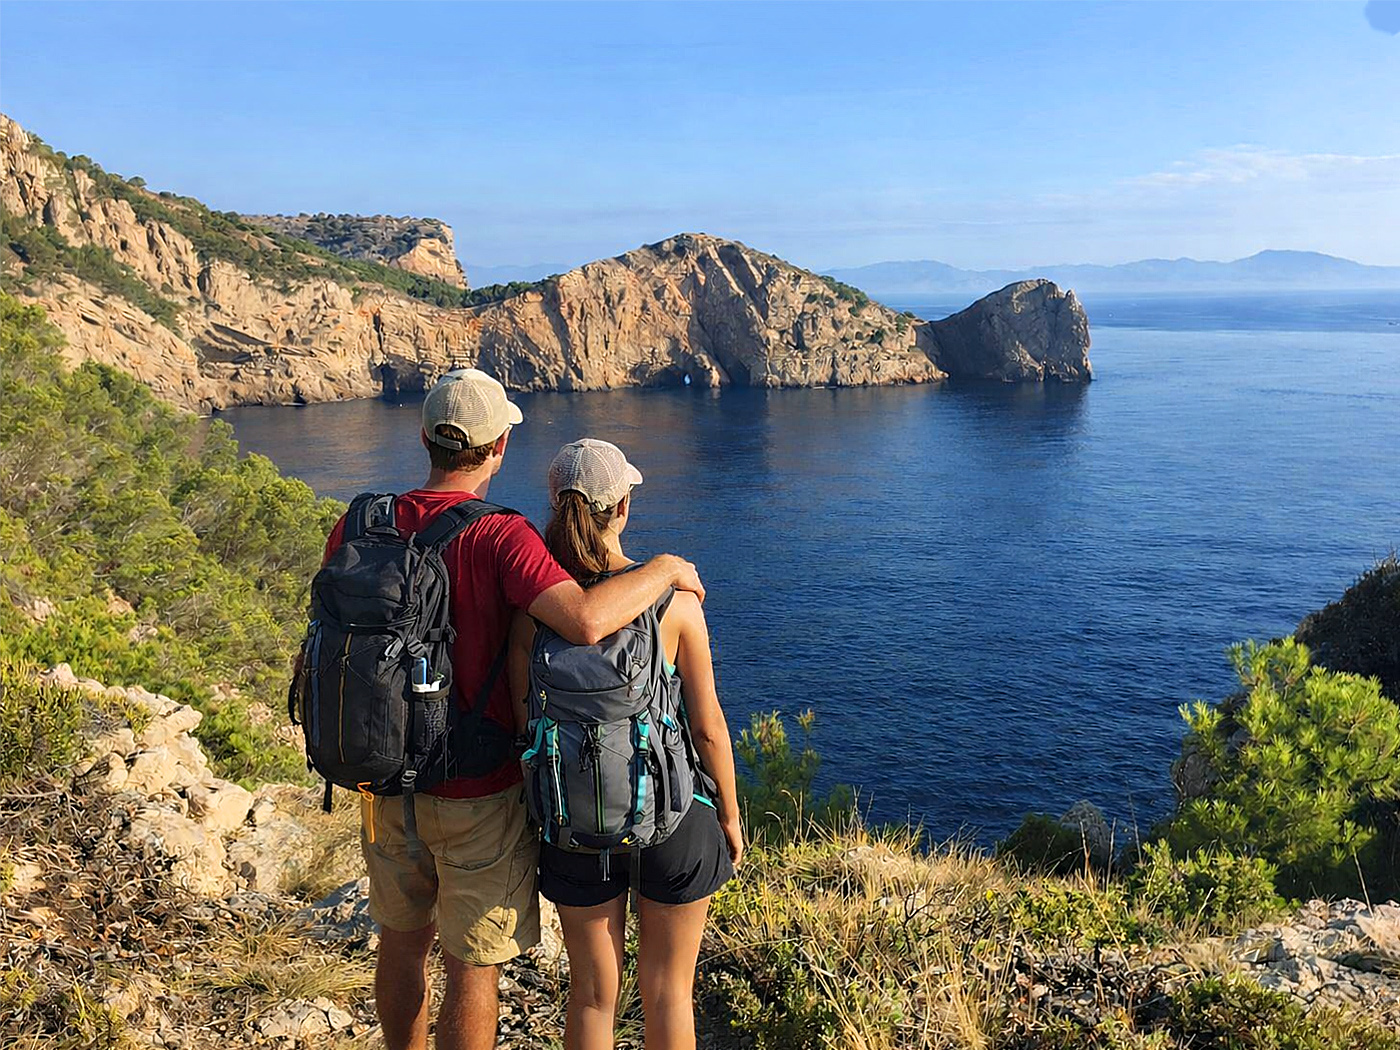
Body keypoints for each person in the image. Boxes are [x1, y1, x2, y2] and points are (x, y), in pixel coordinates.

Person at [319, 371, 706, 1050]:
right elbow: (586, 620)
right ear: (499, 447)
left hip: (381, 778)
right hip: (475, 791)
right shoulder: (503, 537)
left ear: (424, 438)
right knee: (471, 969)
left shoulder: (358, 523)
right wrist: (667, 567)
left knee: (402, 945)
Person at [508, 438, 743, 1050]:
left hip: (571, 818)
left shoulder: (534, 612)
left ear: (556, 507)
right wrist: (731, 815)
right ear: (624, 508)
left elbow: (523, 720)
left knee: (590, 995)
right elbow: (708, 726)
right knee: (669, 992)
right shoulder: (676, 602)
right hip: (672, 818)